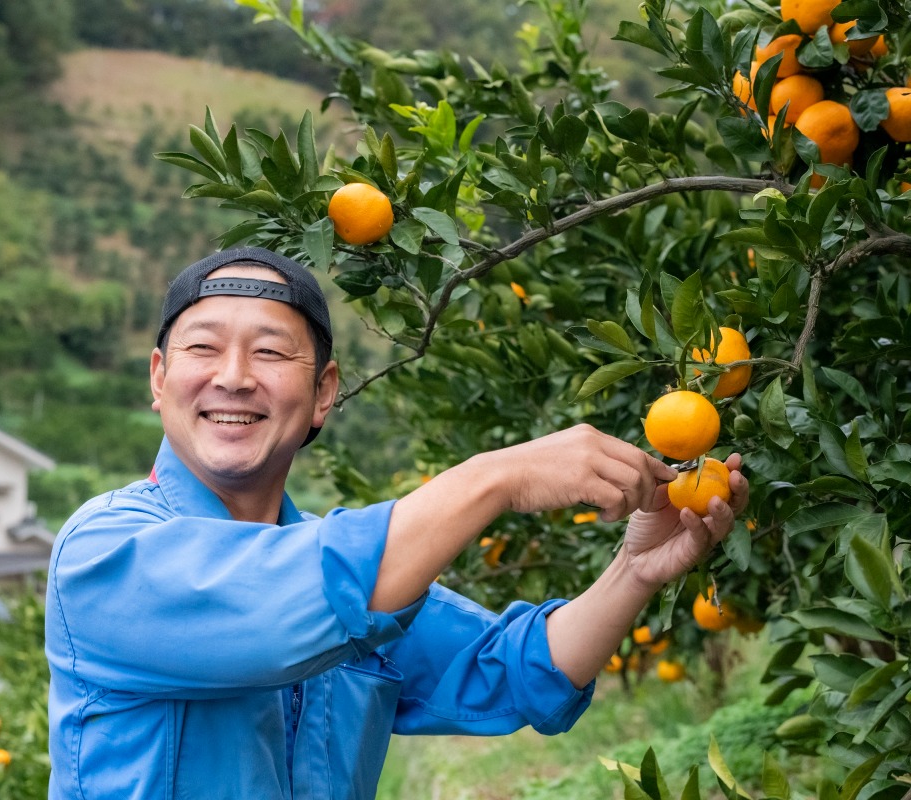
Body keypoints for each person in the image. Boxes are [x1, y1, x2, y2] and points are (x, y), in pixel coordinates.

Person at [45, 246, 749, 799]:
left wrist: (634, 569)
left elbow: (516, 671)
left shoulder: (363, 572)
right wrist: (497, 476)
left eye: (269, 351)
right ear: (159, 379)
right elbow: (284, 616)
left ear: (324, 393)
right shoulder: (107, 554)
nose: (234, 376)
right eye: (203, 348)